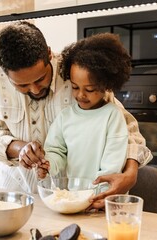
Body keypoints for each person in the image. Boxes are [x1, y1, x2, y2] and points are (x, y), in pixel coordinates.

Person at [0, 21, 152, 209]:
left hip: (72, 196)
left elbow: (127, 128)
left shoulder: (77, 71)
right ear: (4, 73)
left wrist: (130, 174)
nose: (34, 90)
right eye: (22, 85)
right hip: (15, 190)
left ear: (49, 54)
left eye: (40, 79)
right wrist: (23, 149)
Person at [33, 33, 131, 184]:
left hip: (103, 198)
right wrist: (48, 165)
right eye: (74, 87)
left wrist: (97, 195)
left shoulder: (112, 116)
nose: (80, 95)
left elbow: (112, 165)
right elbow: (56, 151)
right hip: (75, 196)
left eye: (90, 89)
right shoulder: (65, 117)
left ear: (106, 85)